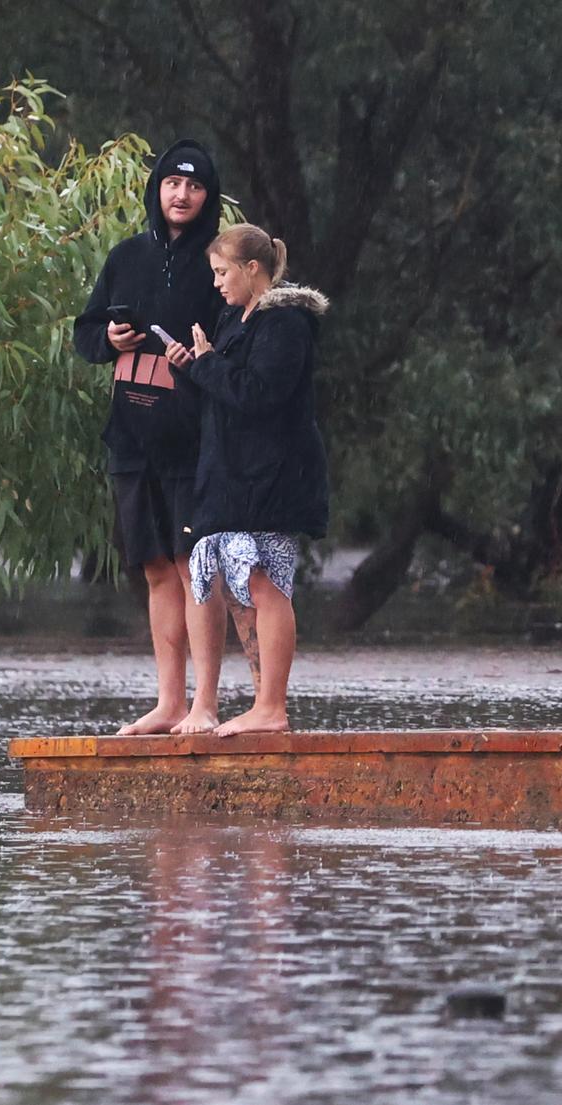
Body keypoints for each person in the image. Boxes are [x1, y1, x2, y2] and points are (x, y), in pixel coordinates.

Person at [74, 140, 238, 735]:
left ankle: (206, 705)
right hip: (130, 435)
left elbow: (239, 338)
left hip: (193, 435)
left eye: (194, 186)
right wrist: (109, 340)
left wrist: (204, 357)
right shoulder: (126, 256)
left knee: (195, 563)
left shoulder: (218, 262)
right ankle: (170, 703)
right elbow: (84, 332)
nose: (181, 194)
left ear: (207, 196)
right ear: (157, 188)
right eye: (172, 183)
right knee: (153, 568)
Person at [166, 224, 329, 736]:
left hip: (273, 476)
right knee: (229, 581)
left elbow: (260, 395)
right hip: (230, 475)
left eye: (221, 272)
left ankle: (271, 708)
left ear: (251, 269)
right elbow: (222, 396)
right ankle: (249, 705)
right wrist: (190, 368)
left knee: (265, 582)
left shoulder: (285, 323)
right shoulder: (234, 319)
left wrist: (211, 364)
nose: (215, 283)